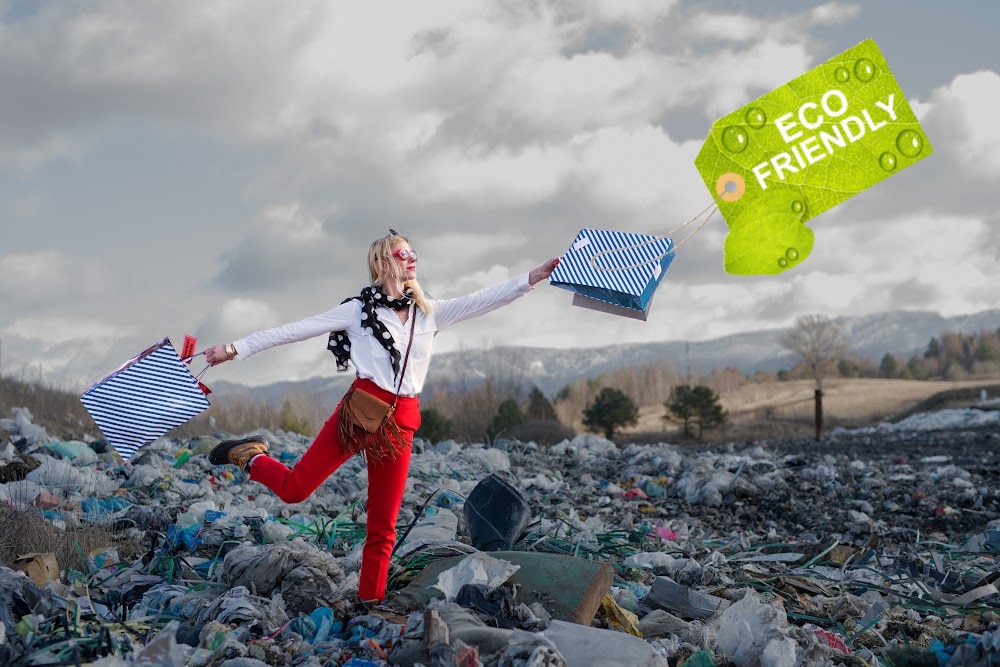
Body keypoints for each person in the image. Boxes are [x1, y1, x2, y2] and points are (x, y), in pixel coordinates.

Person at [203, 230, 560, 604]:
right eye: (404, 253)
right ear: (383, 261)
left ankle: (369, 602)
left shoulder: (428, 312)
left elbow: (483, 300)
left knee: (383, 526)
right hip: (360, 412)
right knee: (295, 490)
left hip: (401, 423)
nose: (412, 258)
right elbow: (292, 331)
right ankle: (250, 455)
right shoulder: (357, 310)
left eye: (414, 252)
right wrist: (232, 349)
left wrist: (532, 277)